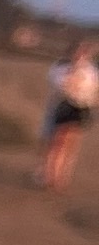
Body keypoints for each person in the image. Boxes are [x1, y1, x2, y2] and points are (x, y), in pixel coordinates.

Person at [36, 39, 96, 194]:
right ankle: (49, 174)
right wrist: (75, 73)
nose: (81, 55)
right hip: (63, 108)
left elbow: (92, 92)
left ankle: (61, 176)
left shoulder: (91, 72)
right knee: (58, 142)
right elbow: (64, 86)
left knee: (70, 144)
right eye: (79, 52)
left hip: (81, 109)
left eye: (85, 52)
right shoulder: (60, 68)